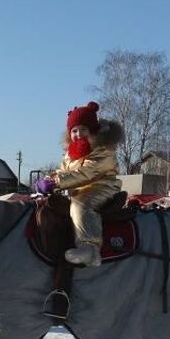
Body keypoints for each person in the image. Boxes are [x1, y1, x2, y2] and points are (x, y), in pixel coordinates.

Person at [36, 101, 124, 267]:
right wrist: (48, 179)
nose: (78, 134)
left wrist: (56, 183)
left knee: (80, 205)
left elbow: (86, 173)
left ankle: (90, 249)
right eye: (74, 130)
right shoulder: (71, 153)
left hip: (102, 186)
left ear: (93, 130)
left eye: (83, 129)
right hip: (81, 188)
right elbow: (63, 171)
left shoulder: (102, 149)